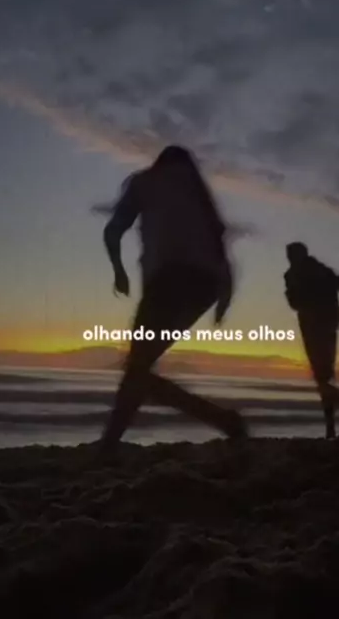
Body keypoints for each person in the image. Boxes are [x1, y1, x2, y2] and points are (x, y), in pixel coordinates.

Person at [97, 145, 247, 458]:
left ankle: (109, 446)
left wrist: (118, 270)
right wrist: (223, 301)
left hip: (169, 281)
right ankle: (223, 420)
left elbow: (113, 231)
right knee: (139, 369)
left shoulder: (145, 182)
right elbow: (223, 259)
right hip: (205, 287)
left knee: (138, 369)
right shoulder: (200, 196)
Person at [283, 242, 339, 440]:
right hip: (326, 328)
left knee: (322, 379)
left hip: (316, 330)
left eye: (291, 255)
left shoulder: (297, 274)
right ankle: (333, 425)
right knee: (324, 378)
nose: (290, 259)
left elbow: (295, 303)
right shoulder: (320, 270)